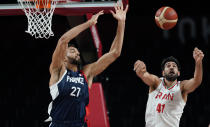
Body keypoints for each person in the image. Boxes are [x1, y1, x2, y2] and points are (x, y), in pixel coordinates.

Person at [46, 2, 128, 127]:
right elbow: (63, 40)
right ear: (63, 58)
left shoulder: (86, 73)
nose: (77, 52)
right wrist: (89, 24)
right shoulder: (58, 70)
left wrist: (121, 22)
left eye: (77, 51)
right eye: (72, 50)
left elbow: (115, 53)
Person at [133, 47, 204, 127]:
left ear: (178, 73)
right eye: (168, 65)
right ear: (163, 73)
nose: (171, 67)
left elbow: (196, 81)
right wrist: (141, 70)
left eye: (174, 66)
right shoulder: (156, 83)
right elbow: (145, 75)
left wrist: (198, 62)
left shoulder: (181, 87)